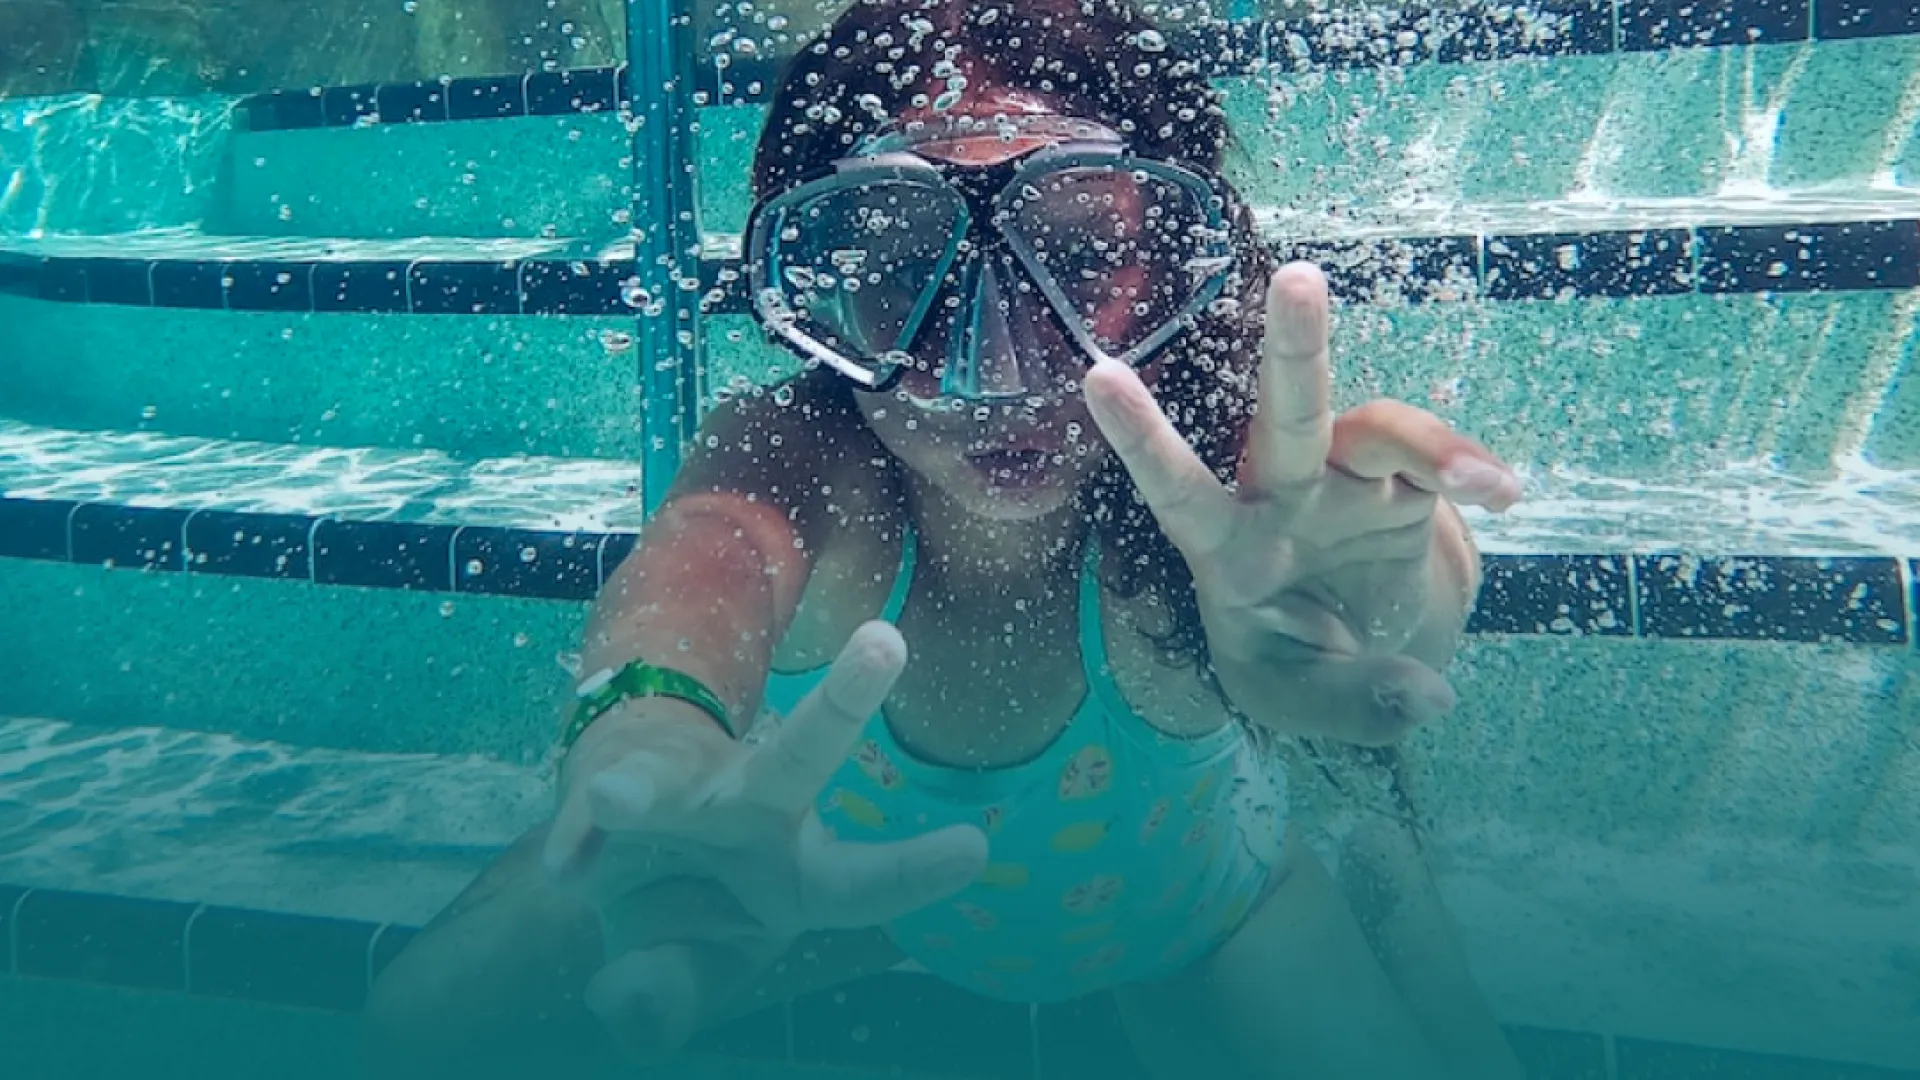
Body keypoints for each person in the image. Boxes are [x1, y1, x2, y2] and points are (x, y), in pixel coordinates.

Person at [362, 1, 1527, 1077]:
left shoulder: (1221, 493)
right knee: (425, 1022)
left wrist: (1390, 590)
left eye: (1074, 262)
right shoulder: (808, 459)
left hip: (1204, 921)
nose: (993, 367)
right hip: (848, 903)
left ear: (1179, 267)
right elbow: (708, 551)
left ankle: (1379, 866)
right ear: (809, 296)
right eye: (902, 270)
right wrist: (649, 742)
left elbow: (1372, 570)